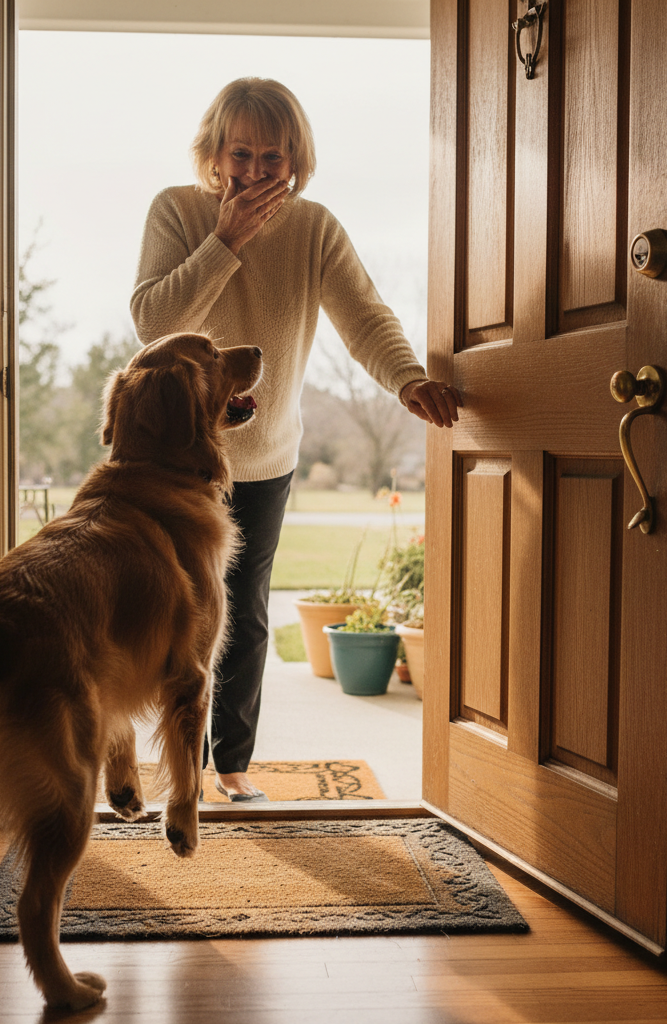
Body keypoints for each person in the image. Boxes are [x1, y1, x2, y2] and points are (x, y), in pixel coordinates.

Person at [130, 78, 462, 802]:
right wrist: (225, 242)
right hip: (173, 462)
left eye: (271, 157)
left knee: (242, 614)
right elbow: (154, 324)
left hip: (262, 458)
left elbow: (365, 317)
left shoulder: (315, 229)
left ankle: (231, 765)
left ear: (295, 160)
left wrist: (407, 380)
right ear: (215, 154)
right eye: (240, 152)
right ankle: (144, 761)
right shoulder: (177, 212)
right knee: (154, 608)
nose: (254, 171)